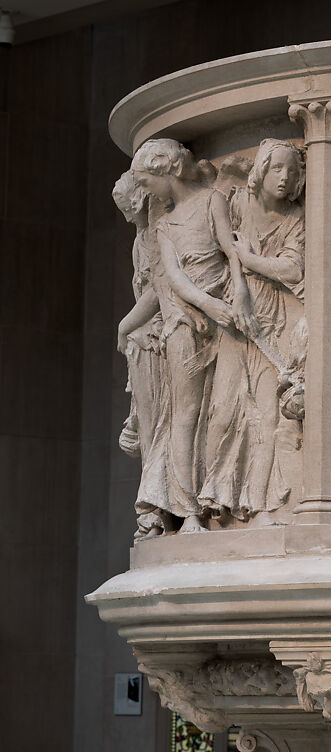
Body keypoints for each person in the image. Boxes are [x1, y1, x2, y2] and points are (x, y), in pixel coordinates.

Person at [130, 138, 256, 532]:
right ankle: (186, 512)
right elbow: (177, 279)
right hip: (188, 323)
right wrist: (209, 305)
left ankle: (224, 492)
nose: (145, 191)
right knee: (184, 414)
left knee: (228, 407)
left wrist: (241, 292)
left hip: (228, 315)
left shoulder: (211, 200)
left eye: (147, 180)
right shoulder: (164, 226)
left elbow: (231, 250)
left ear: (167, 170)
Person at [203, 139, 306, 524]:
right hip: (235, 316)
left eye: (291, 172)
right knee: (224, 409)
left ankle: (260, 504)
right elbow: (225, 246)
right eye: (277, 168)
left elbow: (293, 270)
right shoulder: (240, 205)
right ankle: (216, 499)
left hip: (273, 323)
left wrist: (248, 260)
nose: (284, 178)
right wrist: (241, 285)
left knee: (266, 413)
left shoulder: (296, 219)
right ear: (260, 171)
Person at [113, 171, 170, 539]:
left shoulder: (162, 234)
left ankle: (158, 508)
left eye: (132, 209)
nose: (131, 219)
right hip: (145, 346)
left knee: (163, 426)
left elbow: (158, 289)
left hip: (163, 340)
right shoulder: (142, 240)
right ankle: (153, 507)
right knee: (152, 429)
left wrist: (123, 326)